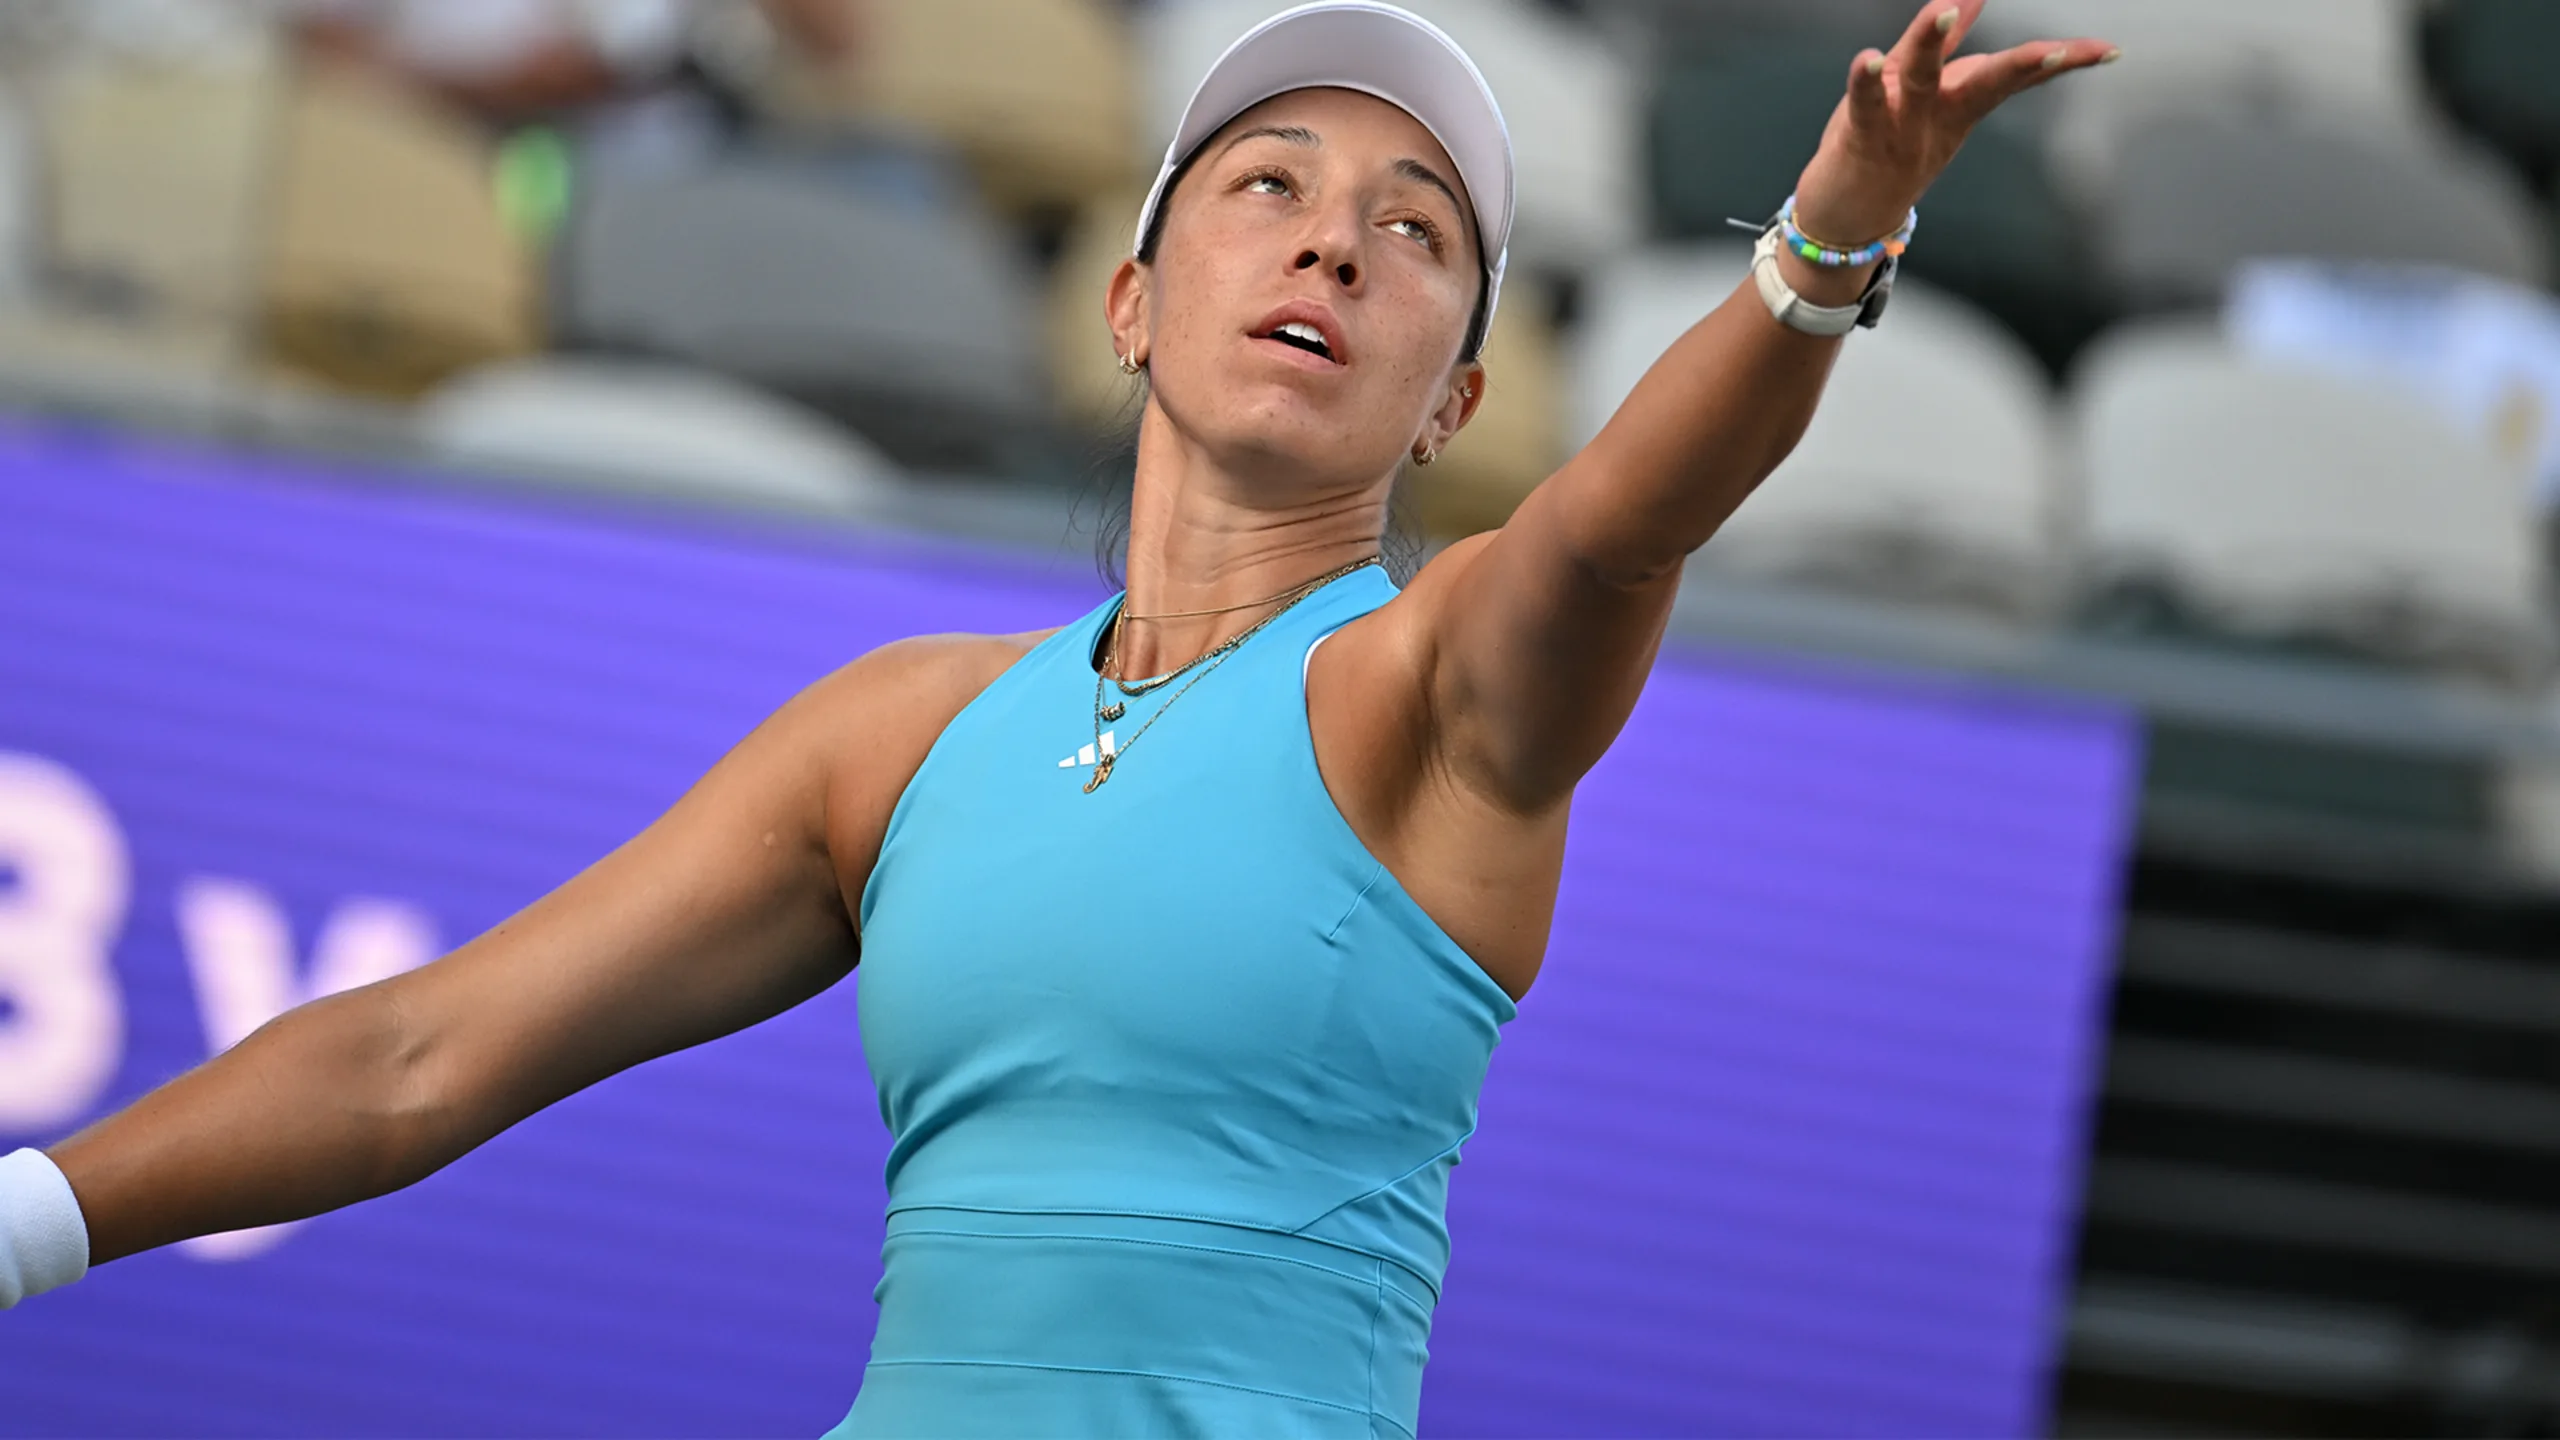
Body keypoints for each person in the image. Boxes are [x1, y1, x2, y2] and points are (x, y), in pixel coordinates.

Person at [0, 1, 2114, 1432]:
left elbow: (1621, 522)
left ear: (1453, 400)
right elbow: (415, 1055)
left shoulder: (1438, 679)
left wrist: (1826, 245)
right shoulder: (897, 737)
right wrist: (24, 1224)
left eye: (1416, 234)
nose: (1337, 244)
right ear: (1130, 302)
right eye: (1268, 186)